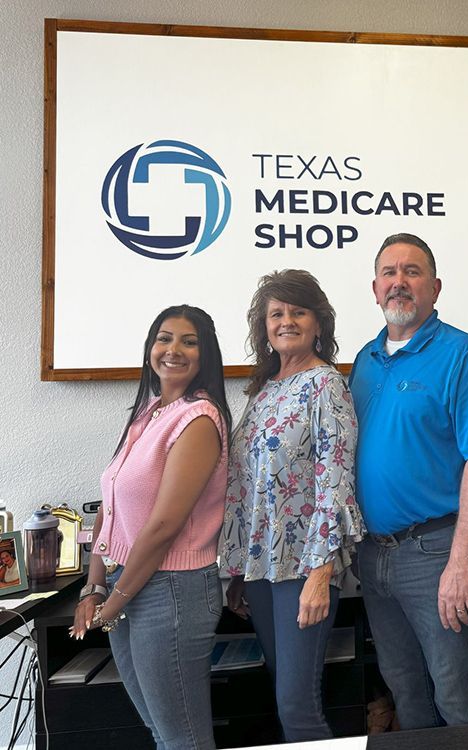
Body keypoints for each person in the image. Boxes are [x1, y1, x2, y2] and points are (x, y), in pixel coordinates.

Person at [350, 233, 468, 729]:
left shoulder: (463, 356)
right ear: (375, 289)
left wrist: (462, 562)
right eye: (389, 273)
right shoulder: (364, 362)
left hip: (436, 553)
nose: (399, 282)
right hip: (374, 554)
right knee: (405, 690)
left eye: (412, 271)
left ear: (435, 287)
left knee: (458, 694)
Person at [70, 305, 232, 750]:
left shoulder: (199, 419)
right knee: (161, 733)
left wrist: (114, 602)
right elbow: (110, 506)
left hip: (171, 591)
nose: (173, 349)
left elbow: (163, 526)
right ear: (149, 349)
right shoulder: (149, 412)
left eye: (189, 342)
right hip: (128, 583)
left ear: (205, 355)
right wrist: (94, 587)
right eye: (164, 338)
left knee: (184, 741)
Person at [220, 270, 364, 742]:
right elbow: (250, 486)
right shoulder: (263, 390)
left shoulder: (326, 385)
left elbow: (335, 483)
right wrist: (240, 569)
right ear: (263, 327)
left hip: (304, 566)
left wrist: (321, 575)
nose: (287, 321)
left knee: (298, 706)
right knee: (281, 691)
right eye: (276, 313)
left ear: (318, 322)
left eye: (298, 312)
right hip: (261, 569)